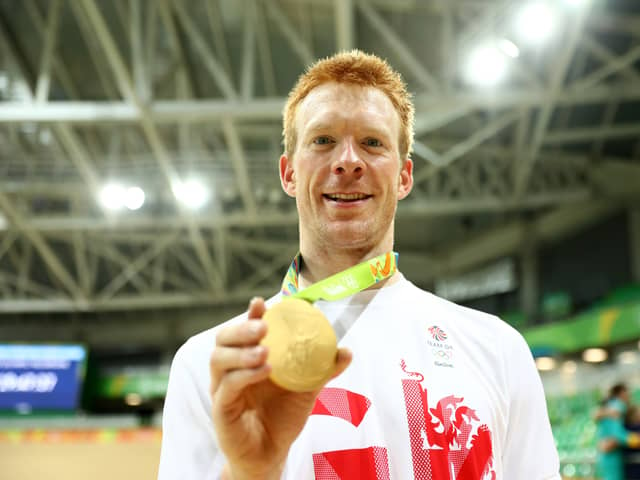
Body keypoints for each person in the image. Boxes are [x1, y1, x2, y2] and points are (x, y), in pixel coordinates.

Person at [158, 50, 560, 479]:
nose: (348, 161)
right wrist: (251, 471)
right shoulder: (215, 367)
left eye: (372, 142)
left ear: (404, 176)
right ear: (289, 172)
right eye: (323, 140)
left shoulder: (498, 349)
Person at [595, 383, 640, 480]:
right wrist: (636, 439)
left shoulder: (608, 406)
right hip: (611, 454)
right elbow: (618, 436)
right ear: (621, 393)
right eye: (627, 393)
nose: (629, 396)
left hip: (606, 454)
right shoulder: (618, 405)